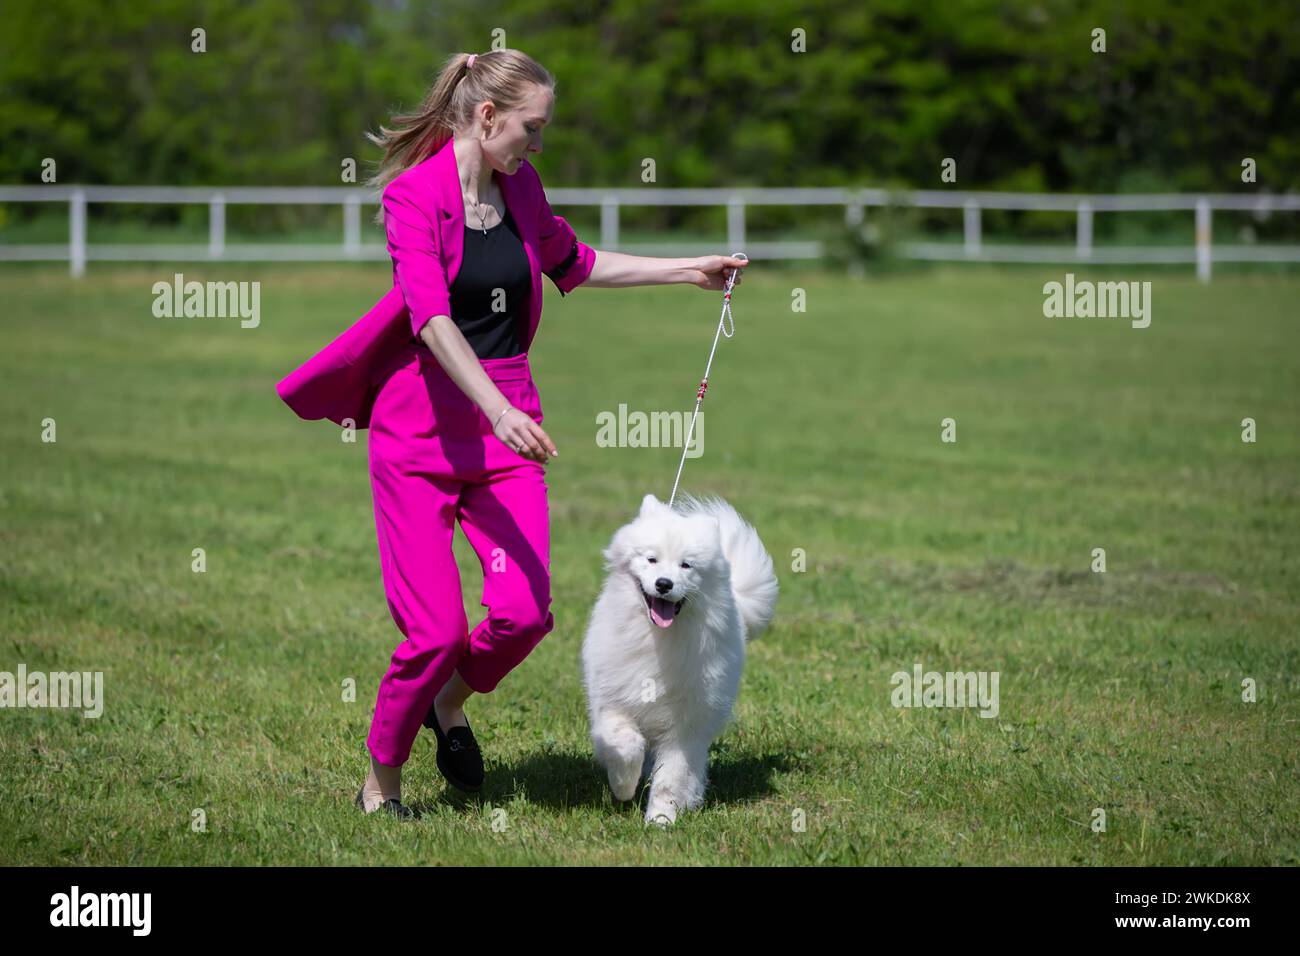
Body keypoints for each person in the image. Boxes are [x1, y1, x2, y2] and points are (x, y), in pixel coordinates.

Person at [282, 47, 747, 817]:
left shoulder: (521, 188)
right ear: (488, 116)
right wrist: (494, 409)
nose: (540, 143)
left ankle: (447, 705)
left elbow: (576, 261)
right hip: (419, 434)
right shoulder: (413, 199)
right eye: (533, 127)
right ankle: (382, 784)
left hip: (508, 429)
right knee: (433, 631)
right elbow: (429, 316)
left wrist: (686, 269)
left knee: (526, 612)